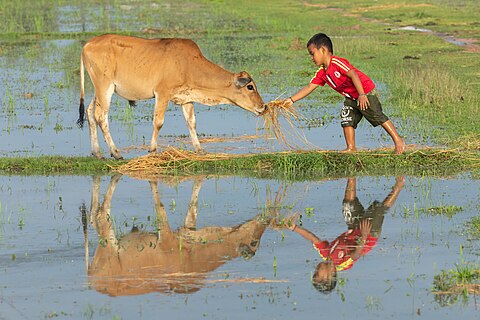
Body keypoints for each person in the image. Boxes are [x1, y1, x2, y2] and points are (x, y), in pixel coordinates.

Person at [282, 33, 405, 154]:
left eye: (312, 54)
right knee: (346, 118)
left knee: (377, 115)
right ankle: (351, 148)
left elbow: (353, 74)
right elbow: (309, 87)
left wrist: (362, 95)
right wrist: (291, 100)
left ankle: (398, 140)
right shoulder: (322, 73)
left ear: (323, 50)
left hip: (365, 92)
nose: (311, 58)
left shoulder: (336, 63)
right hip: (351, 97)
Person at [285, 176, 405, 293]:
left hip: (353, 228)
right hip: (368, 234)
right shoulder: (342, 264)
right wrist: (363, 236)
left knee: (348, 204)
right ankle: (398, 186)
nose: (315, 270)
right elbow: (356, 254)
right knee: (379, 209)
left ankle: (351, 174)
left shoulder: (326, 254)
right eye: (317, 274)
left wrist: (294, 228)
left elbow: (312, 238)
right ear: (328, 277)